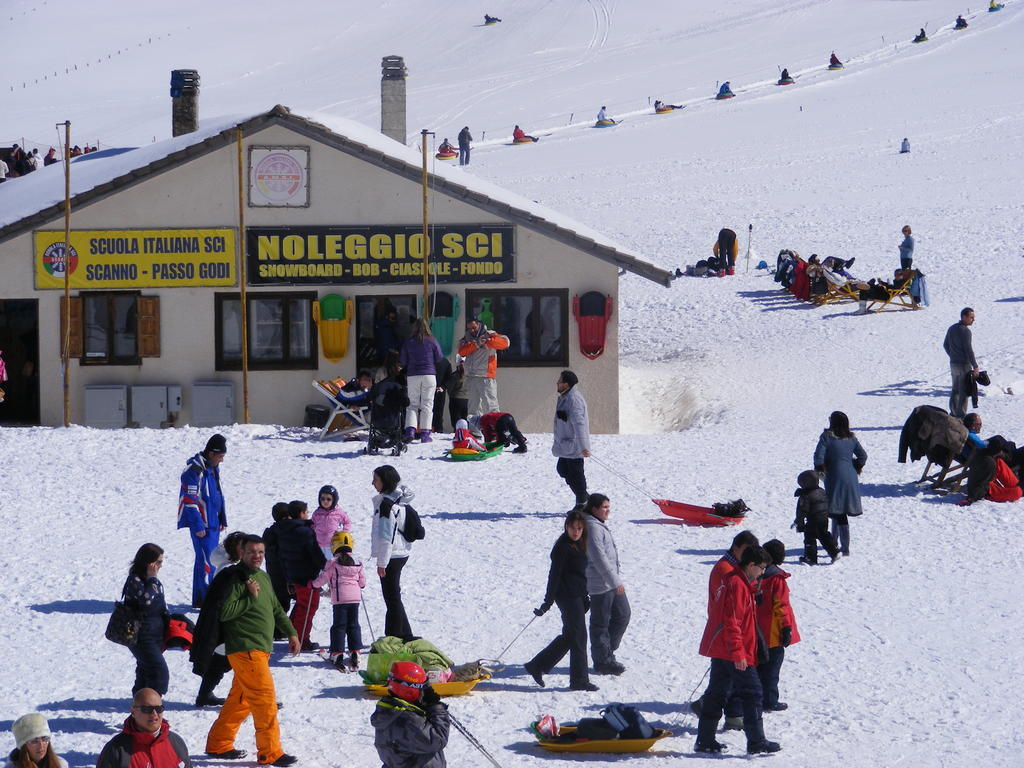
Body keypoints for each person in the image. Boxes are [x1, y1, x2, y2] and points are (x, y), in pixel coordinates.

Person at [205, 535, 299, 767]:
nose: (257, 556)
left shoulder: (263, 577)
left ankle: (218, 743)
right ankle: (271, 752)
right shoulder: (236, 578)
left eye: (260, 552)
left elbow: (276, 608)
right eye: (251, 552)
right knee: (265, 700)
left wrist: (292, 632)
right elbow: (226, 613)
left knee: (241, 699)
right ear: (242, 552)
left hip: (259, 649)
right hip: (245, 648)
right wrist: (250, 596)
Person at [694, 545, 780, 755]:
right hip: (732, 650)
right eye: (760, 568)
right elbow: (732, 622)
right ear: (750, 565)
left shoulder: (739, 581)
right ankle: (757, 742)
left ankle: (705, 740)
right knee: (752, 693)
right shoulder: (737, 585)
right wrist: (739, 654)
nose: (762, 572)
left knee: (717, 694)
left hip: (724, 649)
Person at [690, 530, 759, 728]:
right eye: (746, 550)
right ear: (736, 548)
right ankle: (714, 710)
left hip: (731, 628)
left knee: (727, 676)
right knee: (732, 675)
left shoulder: (736, 567)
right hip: (725, 629)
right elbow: (727, 604)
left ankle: (730, 714)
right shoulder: (725, 569)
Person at [524, 511, 598, 691]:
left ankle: (538, 665)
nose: (576, 531)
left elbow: (581, 576)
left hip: (577, 596)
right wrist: (547, 603)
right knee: (579, 636)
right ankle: (579, 680)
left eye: (579, 528)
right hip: (566, 596)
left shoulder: (580, 545)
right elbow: (554, 576)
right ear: (566, 527)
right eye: (573, 528)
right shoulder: (563, 548)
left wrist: (586, 597)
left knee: (571, 636)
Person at [191, 530, 247, 707]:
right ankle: (255, 698)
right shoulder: (229, 569)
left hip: (230, 626)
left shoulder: (235, 567)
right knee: (243, 664)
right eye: (242, 547)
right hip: (229, 625)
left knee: (221, 663)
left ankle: (205, 695)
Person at [178, 433, 229, 608]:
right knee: (209, 561)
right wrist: (197, 524)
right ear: (211, 454)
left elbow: (218, 495)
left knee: (208, 560)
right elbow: (189, 501)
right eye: (220, 456)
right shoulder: (194, 471)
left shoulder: (213, 469)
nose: (222, 460)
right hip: (203, 525)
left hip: (213, 523)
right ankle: (206, 598)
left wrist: (222, 518)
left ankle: (203, 598)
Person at [582, 494, 630, 676]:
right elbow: (599, 557)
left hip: (610, 581)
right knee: (600, 623)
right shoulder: (593, 527)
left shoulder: (598, 524)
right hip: (600, 584)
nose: (608, 510)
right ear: (594, 509)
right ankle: (603, 661)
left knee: (623, 615)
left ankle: (606, 652)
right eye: (604, 507)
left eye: (608, 506)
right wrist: (615, 581)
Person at [370, 465, 418, 641]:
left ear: (385, 481)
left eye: (376, 479)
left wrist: (382, 563)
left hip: (392, 555)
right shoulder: (399, 498)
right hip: (401, 552)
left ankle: (394, 637)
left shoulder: (386, 505)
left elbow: (385, 536)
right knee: (394, 597)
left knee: (391, 599)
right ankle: (405, 634)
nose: (372, 483)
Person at [371, 661, 449, 767]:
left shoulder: (390, 710)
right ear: (410, 690)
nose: (423, 692)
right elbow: (439, 740)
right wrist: (436, 708)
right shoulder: (408, 720)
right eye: (422, 688)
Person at [814, 411, 868, 557]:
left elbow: (818, 457)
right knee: (841, 510)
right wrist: (856, 466)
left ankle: (838, 545)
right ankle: (840, 544)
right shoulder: (851, 439)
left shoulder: (827, 437)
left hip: (834, 476)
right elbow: (863, 456)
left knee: (836, 510)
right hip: (850, 476)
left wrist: (820, 470)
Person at [755, 540, 800, 713]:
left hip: (757, 631)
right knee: (772, 671)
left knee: (759, 668)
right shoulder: (777, 579)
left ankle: (756, 698)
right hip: (774, 633)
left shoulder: (756, 576)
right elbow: (781, 606)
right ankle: (770, 700)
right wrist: (786, 628)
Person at [96, 689, 192, 768]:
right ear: (133, 712)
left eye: (159, 709)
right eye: (147, 709)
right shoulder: (116, 749)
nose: (154, 714)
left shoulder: (175, 742)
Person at [312, 531, 365, 671]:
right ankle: (355, 651)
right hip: (355, 599)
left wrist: (314, 584)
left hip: (340, 600)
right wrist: (359, 585)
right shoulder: (358, 562)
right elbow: (362, 582)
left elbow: (323, 578)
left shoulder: (333, 564)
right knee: (353, 625)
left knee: (339, 626)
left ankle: (337, 653)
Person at [278, 500, 327, 651]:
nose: (307, 514)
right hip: (308, 577)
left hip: (294, 574)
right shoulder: (305, 532)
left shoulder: (284, 530)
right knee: (308, 608)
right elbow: (315, 553)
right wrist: (326, 566)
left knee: (301, 606)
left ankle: (293, 634)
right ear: (301, 513)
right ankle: (301, 641)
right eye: (306, 512)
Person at [121, 543, 169, 695]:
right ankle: (152, 703)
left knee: (145, 669)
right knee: (159, 671)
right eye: (158, 562)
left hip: (154, 633)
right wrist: (153, 579)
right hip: (141, 635)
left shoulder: (149, 580)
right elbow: (146, 601)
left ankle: (140, 701)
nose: (160, 566)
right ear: (149, 562)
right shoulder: (135, 580)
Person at [457, 316, 510, 424]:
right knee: (473, 408)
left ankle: (497, 430)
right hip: (472, 376)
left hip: (486, 376)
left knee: (491, 406)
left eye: (474, 327)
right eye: (469, 328)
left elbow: (505, 343)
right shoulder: (466, 338)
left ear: (479, 324)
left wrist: (488, 341)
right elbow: (462, 351)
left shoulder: (489, 333)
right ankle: (475, 432)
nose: (472, 330)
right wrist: (477, 344)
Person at [400, 318, 444, 443]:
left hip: (413, 375)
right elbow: (439, 357)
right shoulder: (432, 341)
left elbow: (403, 361)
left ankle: (410, 431)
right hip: (429, 374)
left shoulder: (409, 342)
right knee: (427, 404)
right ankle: (425, 433)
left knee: (412, 404)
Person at [552, 370, 591, 510]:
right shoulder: (565, 397)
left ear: (566, 384)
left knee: (576, 474)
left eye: (560, 381)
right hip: (566, 445)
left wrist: (584, 447)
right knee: (562, 469)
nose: (557, 383)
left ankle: (582, 503)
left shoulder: (574, 400)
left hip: (574, 445)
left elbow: (580, 424)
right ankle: (585, 497)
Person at [793, 470, 841, 565]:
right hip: (823, 518)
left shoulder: (805, 496)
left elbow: (802, 511)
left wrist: (800, 523)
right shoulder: (822, 491)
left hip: (813, 520)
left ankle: (810, 558)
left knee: (809, 538)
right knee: (824, 535)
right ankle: (834, 552)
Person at [959, 437, 1022, 506]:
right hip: (985, 490)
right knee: (1017, 492)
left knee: (999, 462)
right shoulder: (989, 463)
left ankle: (1017, 485)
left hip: (987, 481)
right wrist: (971, 498)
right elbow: (981, 484)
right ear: (998, 451)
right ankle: (1016, 488)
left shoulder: (984, 453)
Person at [943, 307, 979, 418]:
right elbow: (969, 350)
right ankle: (961, 416)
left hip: (954, 364)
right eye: (971, 317)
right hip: (964, 364)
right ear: (964, 317)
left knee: (955, 389)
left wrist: (953, 356)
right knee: (964, 391)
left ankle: (953, 413)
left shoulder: (952, 328)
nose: (973, 319)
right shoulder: (966, 331)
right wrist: (975, 365)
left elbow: (945, 345)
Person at [262, 502, 294, 615]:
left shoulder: (268, 533)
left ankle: (278, 629)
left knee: (280, 606)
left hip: (274, 576)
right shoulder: (289, 531)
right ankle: (286, 630)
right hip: (288, 576)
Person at [311, 485, 351, 560]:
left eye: (328, 499)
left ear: (334, 500)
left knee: (332, 564)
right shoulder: (317, 513)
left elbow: (347, 522)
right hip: (319, 544)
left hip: (333, 544)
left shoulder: (339, 512)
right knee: (320, 565)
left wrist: (344, 532)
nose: (325, 501)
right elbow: (312, 525)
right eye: (322, 499)